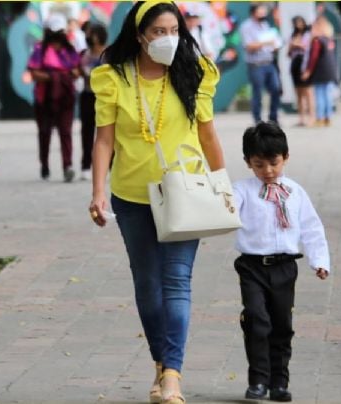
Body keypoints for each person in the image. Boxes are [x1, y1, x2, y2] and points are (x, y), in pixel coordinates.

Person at [89, 2, 225, 403]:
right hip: (131, 197)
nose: (169, 39)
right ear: (140, 36)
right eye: (159, 32)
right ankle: (161, 363)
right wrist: (98, 192)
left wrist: (224, 187)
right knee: (148, 288)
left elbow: (208, 136)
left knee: (176, 283)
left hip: (185, 194)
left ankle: (172, 377)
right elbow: (104, 140)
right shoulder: (113, 79)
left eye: (174, 30)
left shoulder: (195, 73)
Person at [231, 121, 329, 402]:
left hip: (285, 267)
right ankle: (258, 380)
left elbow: (311, 227)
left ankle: (279, 382)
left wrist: (319, 260)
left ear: (285, 157)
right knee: (257, 320)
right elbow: (225, 211)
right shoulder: (242, 190)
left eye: (273, 163)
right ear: (248, 163)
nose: (268, 171)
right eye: (259, 164)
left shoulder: (295, 192)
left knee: (281, 324)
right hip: (251, 267)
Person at [27, 13, 81, 182]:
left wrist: (70, 74)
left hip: (65, 98)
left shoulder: (69, 49)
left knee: (66, 132)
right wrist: (55, 77)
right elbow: (34, 73)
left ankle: (68, 166)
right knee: (44, 132)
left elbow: (78, 70)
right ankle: (44, 165)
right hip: (44, 98)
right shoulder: (39, 49)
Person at [239, 4, 282, 124]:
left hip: (269, 62)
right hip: (256, 65)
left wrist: (274, 45)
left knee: (276, 89)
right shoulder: (246, 27)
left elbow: (272, 42)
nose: (264, 13)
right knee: (257, 92)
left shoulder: (265, 25)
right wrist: (266, 42)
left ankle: (273, 118)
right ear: (253, 12)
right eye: (261, 11)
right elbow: (249, 46)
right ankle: (257, 119)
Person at [77, 23, 108, 181]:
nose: (88, 37)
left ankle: (111, 164)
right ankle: (85, 165)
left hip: (105, 96)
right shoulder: (84, 54)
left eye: (91, 34)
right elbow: (77, 71)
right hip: (88, 95)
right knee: (87, 132)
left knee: (108, 132)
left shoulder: (109, 54)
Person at [302, 16, 337, 127]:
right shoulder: (329, 40)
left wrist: (308, 71)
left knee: (319, 94)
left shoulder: (317, 41)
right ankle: (328, 117)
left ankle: (320, 118)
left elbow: (313, 58)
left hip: (320, 71)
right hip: (330, 70)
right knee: (327, 94)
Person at [287, 16, 314, 127]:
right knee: (298, 93)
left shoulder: (308, 35)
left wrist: (296, 44)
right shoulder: (293, 35)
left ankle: (312, 117)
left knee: (307, 92)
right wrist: (292, 46)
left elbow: (307, 48)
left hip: (304, 62)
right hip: (295, 63)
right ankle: (301, 118)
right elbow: (289, 53)